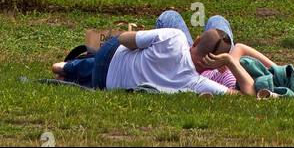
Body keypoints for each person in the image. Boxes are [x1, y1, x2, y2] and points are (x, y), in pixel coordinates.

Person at [53, 26, 257, 95]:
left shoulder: (175, 36)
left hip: (109, 55)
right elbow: (247, 93)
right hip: (104, 84)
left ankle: (67, 67)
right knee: (86, 71)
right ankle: (70, 72)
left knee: (89, 60)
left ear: (195, 40)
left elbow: (125, 39)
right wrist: (231, 62)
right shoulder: (198, 83)